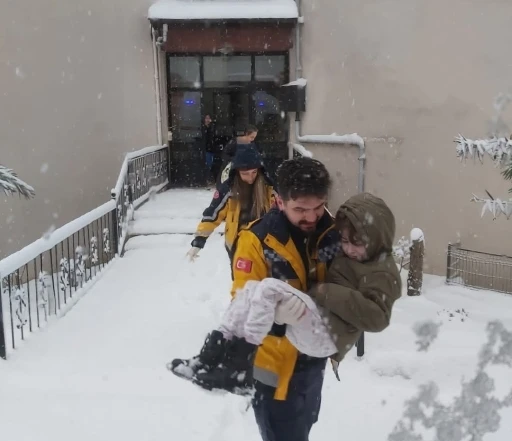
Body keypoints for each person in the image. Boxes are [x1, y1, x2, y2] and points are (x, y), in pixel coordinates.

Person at [172, 157, 341, 441]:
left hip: (314, 359)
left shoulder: (333, 234)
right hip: (272, 363)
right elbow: (244, 301)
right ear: (279, 201)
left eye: (318, 207)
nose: (311, 217)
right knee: (280, 431)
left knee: (305, 422)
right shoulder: (257, 241)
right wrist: (278, 316)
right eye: (300, 209)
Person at [186, 145, 275, 264]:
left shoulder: (270, 188)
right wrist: (199, 240)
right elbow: (213, 214)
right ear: (237, 172)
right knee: (243, 281)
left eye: (254, 172)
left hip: (266, 244)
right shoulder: (228, 190)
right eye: (245, 173)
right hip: (238, 244)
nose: (250, 178)